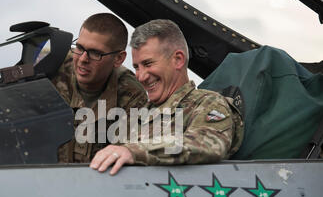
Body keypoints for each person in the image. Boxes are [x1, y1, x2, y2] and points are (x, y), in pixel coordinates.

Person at [90, 19, 244, 175]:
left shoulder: (208, 103)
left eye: (148, 64)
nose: (141, 76)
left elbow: (207, 144)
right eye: (137, 67)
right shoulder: (136, 116)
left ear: (178, 60)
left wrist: (135, 151)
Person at [50, 13, 147, 163]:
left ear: (118, 59)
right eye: (79, 48)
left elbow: (126, 155)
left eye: (96, 53)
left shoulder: (130, 95)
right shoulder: (51, 67)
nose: (83, 59)